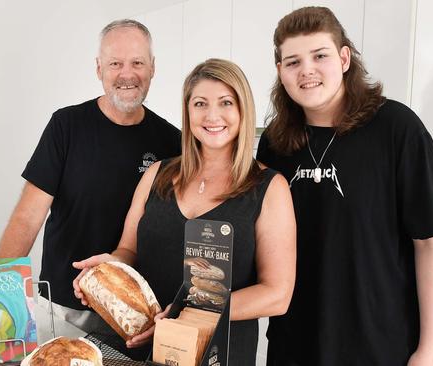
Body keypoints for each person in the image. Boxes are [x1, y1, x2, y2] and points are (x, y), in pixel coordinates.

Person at [257, 7, 433, 366]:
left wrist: (431, 349)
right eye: (293, 62)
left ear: (344, 58)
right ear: (280, 72)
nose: (307, 70)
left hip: (378, 345)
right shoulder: (274, 143)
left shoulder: (397, 128)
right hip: (294, 343)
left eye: (320, 55)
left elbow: (432, 244)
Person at [73, 58, 297, 365]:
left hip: (219, 354)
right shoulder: (156, 175)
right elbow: (127, 250)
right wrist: (105, 271)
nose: (212, 115)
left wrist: (186, 312)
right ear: (188, 111)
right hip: (140, 349)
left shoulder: (269, 187)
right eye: (200, 103)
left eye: (226, 102)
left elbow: (277, 294)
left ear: (243, 110)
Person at [0, 19, 181, 332]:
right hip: (65, 306)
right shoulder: (66, 126)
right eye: (115, 63)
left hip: (135, 313)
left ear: (152, 68)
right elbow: (27, 219)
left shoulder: (172, 142)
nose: (127, 74)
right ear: (99, 69)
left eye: (137, 62)